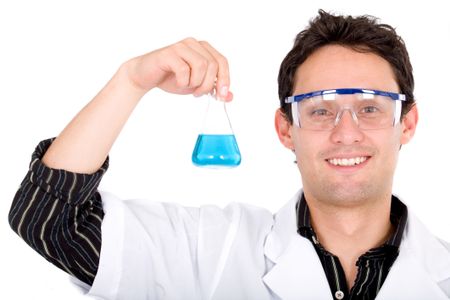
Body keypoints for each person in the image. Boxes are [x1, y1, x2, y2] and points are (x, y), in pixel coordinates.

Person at [8, 9, 450, 300]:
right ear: (285, 130)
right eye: (320, 111)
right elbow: (47, 219)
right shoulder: (208, 250)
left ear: (406, 124)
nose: (345, 132)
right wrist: (131, 81)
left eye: (370, 108)